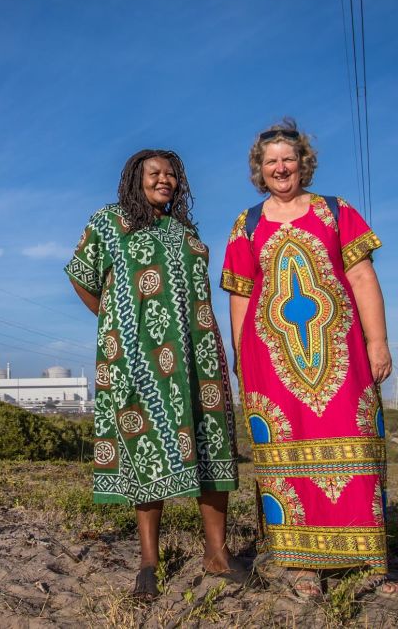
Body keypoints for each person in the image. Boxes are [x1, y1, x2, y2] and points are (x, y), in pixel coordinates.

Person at [220, 119, 398, 598]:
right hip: (270, 363)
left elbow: (362, 278)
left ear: (304, 163)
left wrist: (377, 342)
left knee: (357, 446)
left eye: (288, 158)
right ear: (259, 170)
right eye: (270, 161)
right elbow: (240, 298)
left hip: (342, 355)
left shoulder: (337, 212)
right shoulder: (248, 224)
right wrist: (242, 359)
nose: (281, 168)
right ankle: (301, 566)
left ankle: (370, 562)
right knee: (285, 459)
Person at [66, 149, 240, 601]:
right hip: (135, 359)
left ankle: (217, 555)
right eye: (154, 173)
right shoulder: (110, 221)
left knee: (210, 446)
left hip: (197, 354)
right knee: (146, 449)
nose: (164, 180)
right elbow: (81, 275)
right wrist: (112, 321)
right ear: (134, 179)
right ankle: (149, 560)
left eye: (172, 175)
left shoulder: (185, 231)